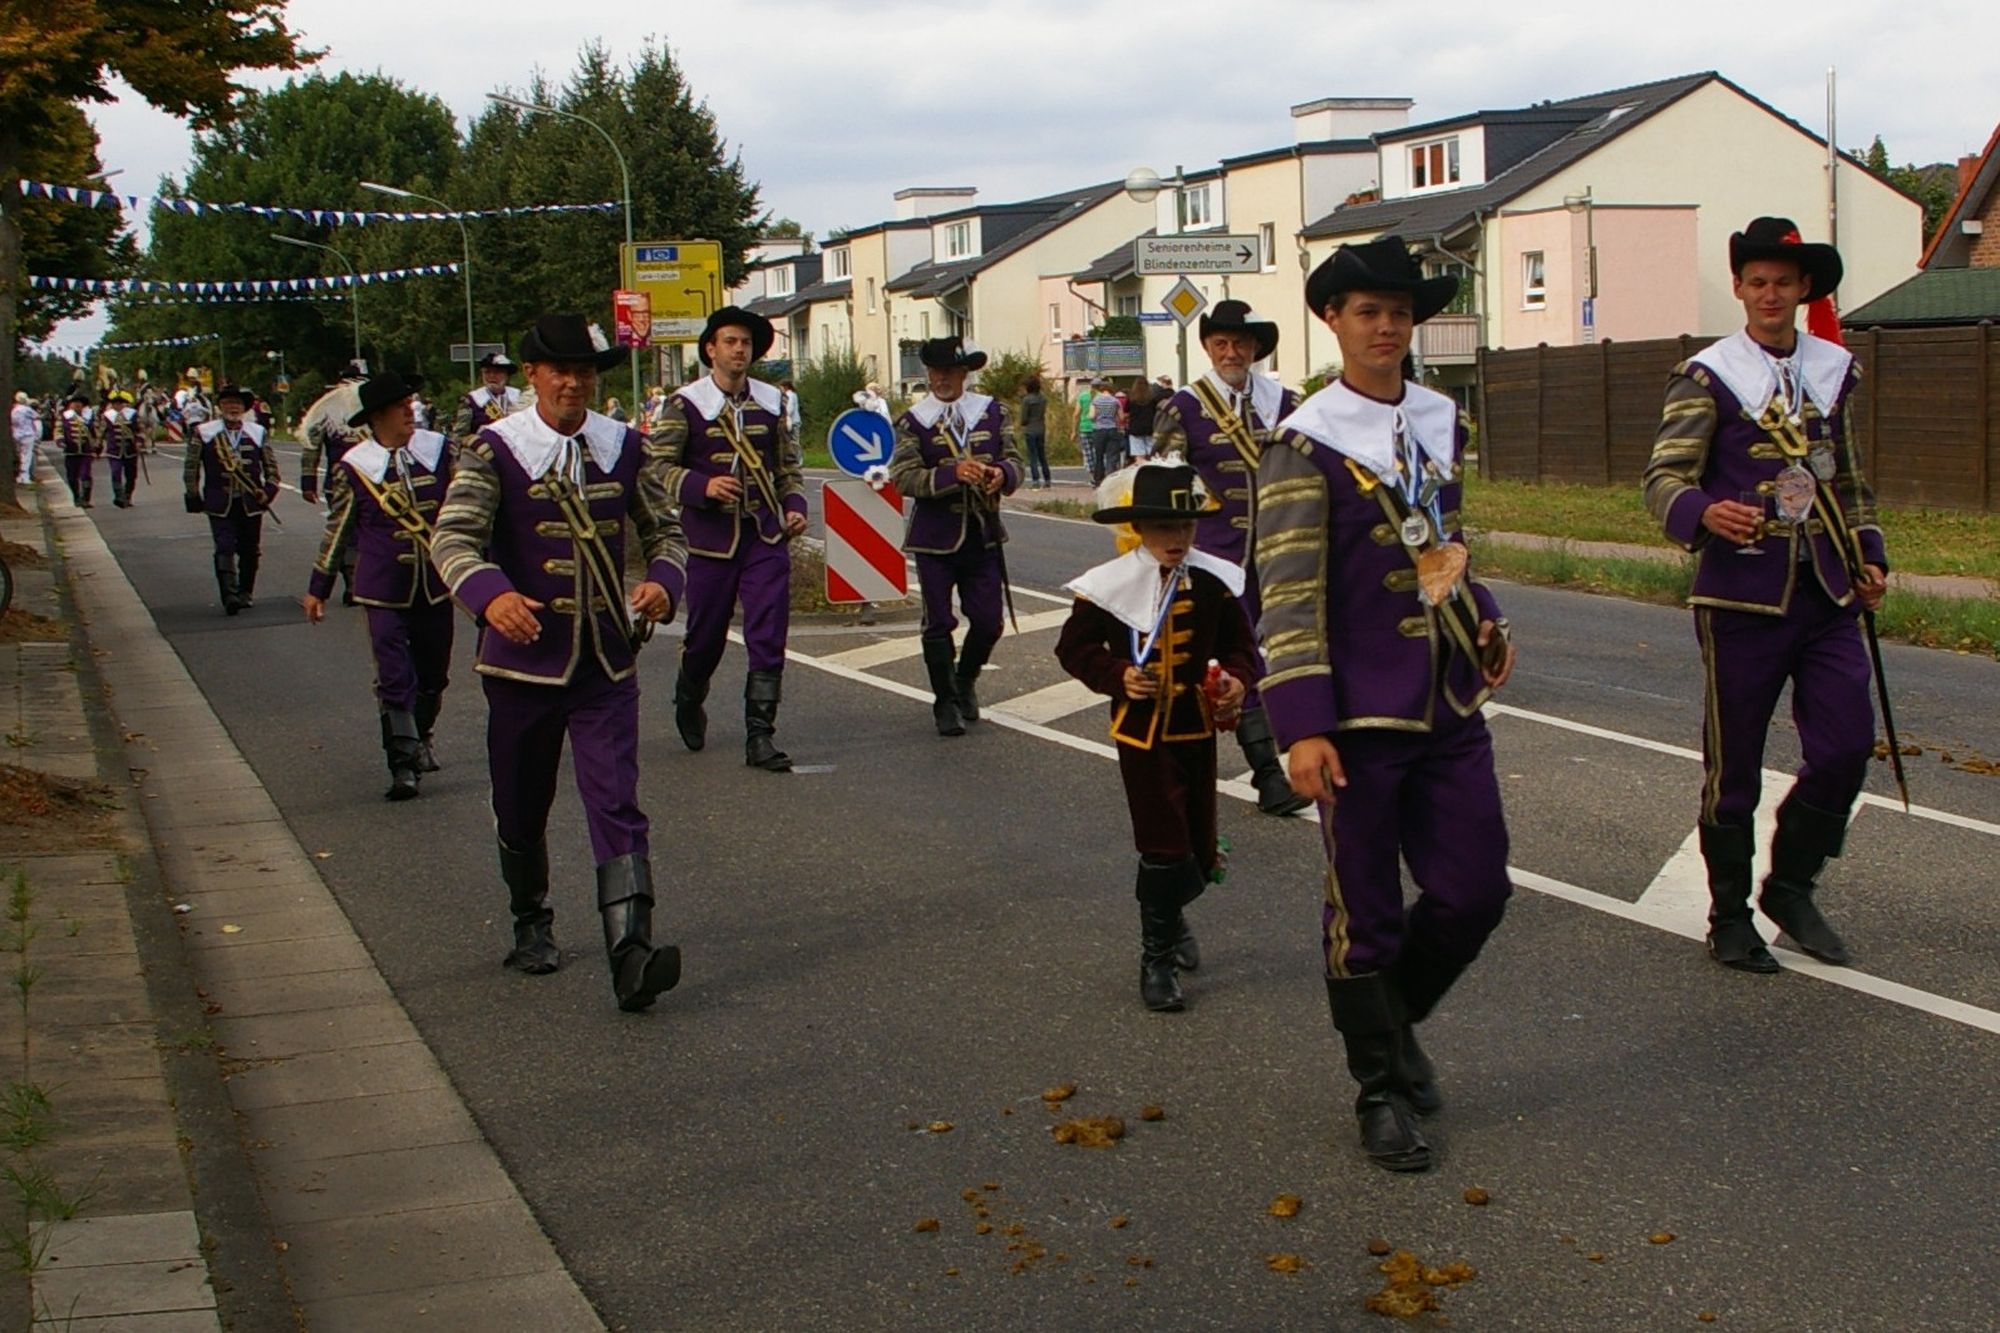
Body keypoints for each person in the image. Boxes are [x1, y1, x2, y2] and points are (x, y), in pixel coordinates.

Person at [1255, 236, 1518, 1173]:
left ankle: (1394, 1022)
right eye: (1368, 311)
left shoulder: (1439, 420)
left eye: (1400, 312)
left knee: (1476, 889)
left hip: (1447, 698)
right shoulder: (1305, 442)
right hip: (1357, 714)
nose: (1387, 327)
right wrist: (1302, 725)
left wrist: (1485, 617)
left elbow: (1445, 539)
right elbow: (1285, 592)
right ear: (1333, 320)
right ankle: (1380, 1088)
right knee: (1363, 909)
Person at [1642, 217, 1887, 974]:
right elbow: (1663, 478)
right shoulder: (1709, 376)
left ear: (1803, 288)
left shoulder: (1831, 372)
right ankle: (1728, 914)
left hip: (1828, 593)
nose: (1771, 294)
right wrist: (1703, 513)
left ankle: (1790, 885)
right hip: (1742, 598)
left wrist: (1870, 556)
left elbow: (1850, 481)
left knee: (1847, 746)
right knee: (1735, 766)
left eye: (1783, 282)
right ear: (1740, 289)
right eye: (1757, 283)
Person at [431, 314, 688, 1012]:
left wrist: (664, 581)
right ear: (533, 376)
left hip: (605, 662)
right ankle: (530, 919)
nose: (572, 383)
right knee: (521, 801)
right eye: (559, 371)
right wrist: (490, 596)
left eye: (583, 372)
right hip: (522, 666)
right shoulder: (495, 449)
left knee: (616, 800)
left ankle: (631, 954)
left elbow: (666, 531)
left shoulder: (623, 446)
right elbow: (452, 539)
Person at [1055, 461, 1256, 1012]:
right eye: (1165, 527)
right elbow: (1074, 649)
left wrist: (1238, 680)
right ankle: (1157, 961)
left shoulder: (1213, 580)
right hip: (1142, 735)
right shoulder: (1109, 585)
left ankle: (1172, 912)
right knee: (1163, 844)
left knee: (1199, 847)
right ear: (1139, 527)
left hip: (1197, 727)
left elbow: (1242, 647)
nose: (1177, 538)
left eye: (1186, 526)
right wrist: (1116, 674)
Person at [1153, 299, 1308, 817]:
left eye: (1240, 343)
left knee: (1286, 651)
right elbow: (1168, 485)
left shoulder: (1286, 403)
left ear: (1255, 348)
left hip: (1282, 554)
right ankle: (1267, 775)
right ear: (1207, 348)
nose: (1231, 352)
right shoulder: (1184, 407)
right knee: (1240, 655)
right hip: (1216, 558)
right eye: (1220, 343)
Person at [644, 307, 808, 771]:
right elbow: (656, 467)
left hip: (764, 536)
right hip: (709, 541)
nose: (739, 350)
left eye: (745, 343)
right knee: (705, 637)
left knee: (768, 632)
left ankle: (760, 734)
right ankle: (689, 693)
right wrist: (702, 487)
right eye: (730, 342)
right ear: (711, 349)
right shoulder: (686, 405)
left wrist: (794, 505)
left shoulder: (772, 402)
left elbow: (787, 467)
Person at [304, 371, 454, 801]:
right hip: (382, 587)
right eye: (400, 407)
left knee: (433, 674)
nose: (411, 411)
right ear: (377, 417)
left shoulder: (438, 450)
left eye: (410, 404)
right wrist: (319, 586)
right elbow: (338, 528)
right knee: (393, 673)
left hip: (435, 583)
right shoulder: (356, 466)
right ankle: (402, 763)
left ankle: (420, 735)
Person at [888, 337, 1022, 736]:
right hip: (934, 538)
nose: (941, 379)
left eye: (949, 372)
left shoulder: (993, 412)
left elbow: (1015, 461)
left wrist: (1001, 475)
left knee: (989, 622)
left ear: (964, 374)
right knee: (938, 623)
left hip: (983, 535)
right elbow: (903, 478)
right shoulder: (913, 421)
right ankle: (944, 701)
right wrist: (952, 474)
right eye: (935, 372)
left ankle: (965, 681)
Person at [184, 385, 281, 615]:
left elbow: (272, 469)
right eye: (228, 403)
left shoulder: (257, 432)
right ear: (220, 406)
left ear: (244, 408)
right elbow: (191, 467)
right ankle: (229, 595)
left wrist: (268, 492)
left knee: (250, 549)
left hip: (250, 502)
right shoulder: (204, 432)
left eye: (237, 403)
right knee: (224, 546)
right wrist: (192, 494)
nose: (233, 407)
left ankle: (245, 592)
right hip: (219, 501)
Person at [300, 363, 370, 606]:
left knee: (369, 532)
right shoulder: (326, 411)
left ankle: (364, 579)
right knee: (346, 533)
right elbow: (312, 446)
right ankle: (353, 583)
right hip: (339, 482)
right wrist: (308, 481)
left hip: (373, 481)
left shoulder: (372, 408)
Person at [451, 352, 523, 446]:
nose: (491, 376)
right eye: (487, 372)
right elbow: (458, 437)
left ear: (506, 375)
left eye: (497, 372)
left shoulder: (520, 397)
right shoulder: (471, 400)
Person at [97, 390, 142, 507]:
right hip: (114, 450)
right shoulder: (107, 416)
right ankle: (119, 496)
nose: (118, 405)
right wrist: (97, 445)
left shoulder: (132, 414)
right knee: (115, 472)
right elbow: (101, 432)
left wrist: (139, 441)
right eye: (115, 403)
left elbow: (139, 429)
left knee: (131, 475)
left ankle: (127, 495)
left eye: (120, 403)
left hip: (130, 450)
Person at [56, 390, 95, 506]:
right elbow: (58, 430)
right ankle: (76, 497)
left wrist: (97, 445)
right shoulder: (64, 417)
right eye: (74, 402)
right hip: (71, 451)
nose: (77, 404)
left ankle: (86, 499)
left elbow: (95, 431)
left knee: (85, 474)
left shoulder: (89, 417)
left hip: (85, 451)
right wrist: (60, 440)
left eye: (79, 402)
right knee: (72, 476)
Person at [1088, 379, 1123, 483]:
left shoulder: (1096, 401)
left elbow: (1091, 416)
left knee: (1099, 456)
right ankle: (1110, 479)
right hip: (1112, 429)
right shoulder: (1115, 401)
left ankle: (1099, 479)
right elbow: (1121, 417)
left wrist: (1096, 418)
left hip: (1099, 430)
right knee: (1111, 456)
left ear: (1101, 390)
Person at [1019, 377, 1051, 488]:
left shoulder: (1026, 400)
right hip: (1041, 428)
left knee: (1032, 456)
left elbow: (1024, 418)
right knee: (1042, 455)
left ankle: (1035, 480)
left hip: (1030, 429)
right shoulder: (1043, 399)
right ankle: (1047, 479)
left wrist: (1022, 424)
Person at [1123, 378, 1157, 461]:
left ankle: (1141, 467)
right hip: (1150, 428)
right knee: (1151, 454)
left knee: (1139, 454)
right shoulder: (1153, 398)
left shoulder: (1131, 398)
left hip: (1135, 428)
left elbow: (1126, 412)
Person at [13, 391, 42, 484]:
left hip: (16, 434)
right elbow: (37, 416)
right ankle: (24, 477)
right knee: (27, 456)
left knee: (20, 455)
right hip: (27, 435)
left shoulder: (14, 410)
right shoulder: (26, 409)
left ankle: (19, 476)